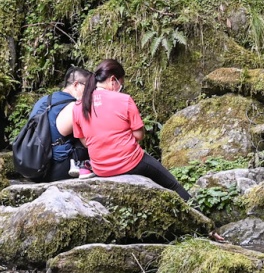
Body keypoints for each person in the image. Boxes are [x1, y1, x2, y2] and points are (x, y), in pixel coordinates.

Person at [62, 58, 192, 199]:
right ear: (113, 80)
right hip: (131, 162)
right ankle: (200, 215)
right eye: (120, 84)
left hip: (101, 169)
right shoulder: (124, 99)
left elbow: (86, 142)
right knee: (173, 185)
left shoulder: (78, 106)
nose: (120, 87)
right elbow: (139, 135)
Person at [26, 67, 91, 182]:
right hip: (56, 170)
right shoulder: (74, 106)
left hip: (34, 165)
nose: (90, 92)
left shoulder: (44, 100)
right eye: (88, 87)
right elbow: (87, 142)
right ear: (76, 85)